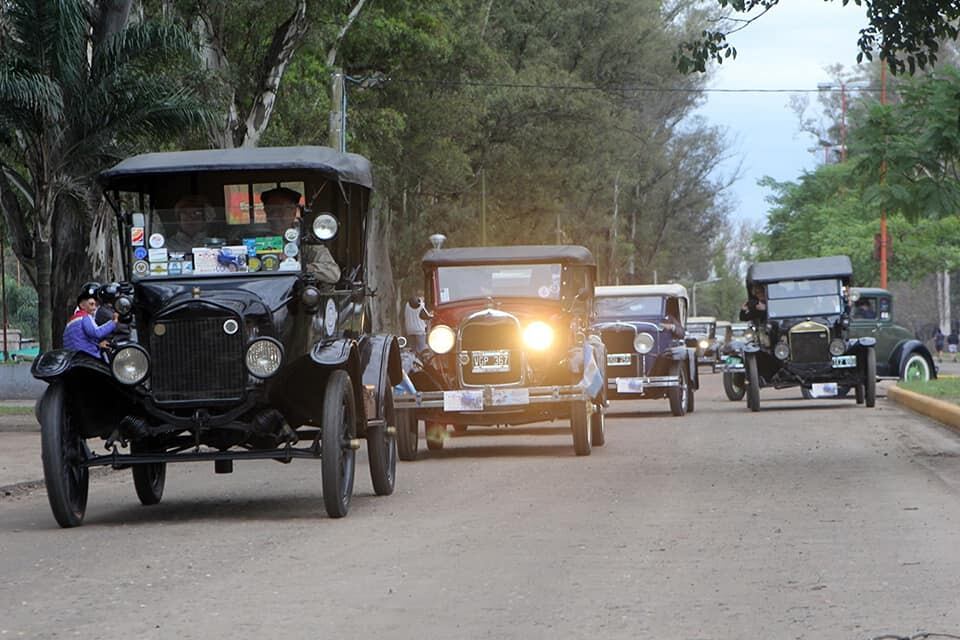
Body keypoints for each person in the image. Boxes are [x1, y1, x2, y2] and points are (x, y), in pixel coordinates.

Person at [260, 187, 341, 284]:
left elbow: (333, 273)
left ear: (294, 212)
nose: (276, 215)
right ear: (266, 212)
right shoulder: (256, 239)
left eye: (282, 209)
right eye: (272, 210)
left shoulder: (306, 240)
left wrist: (300, 266)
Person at [63, 282, 118, 359]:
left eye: (96, 305)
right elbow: (96, 333)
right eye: (91, 304)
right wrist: (113, 322)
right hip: (86, 356)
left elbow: (84, 338)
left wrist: (98, 345)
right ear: (82, 305)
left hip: (72, 357)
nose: (94, 308)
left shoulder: (72, 319)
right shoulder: (84, 317)